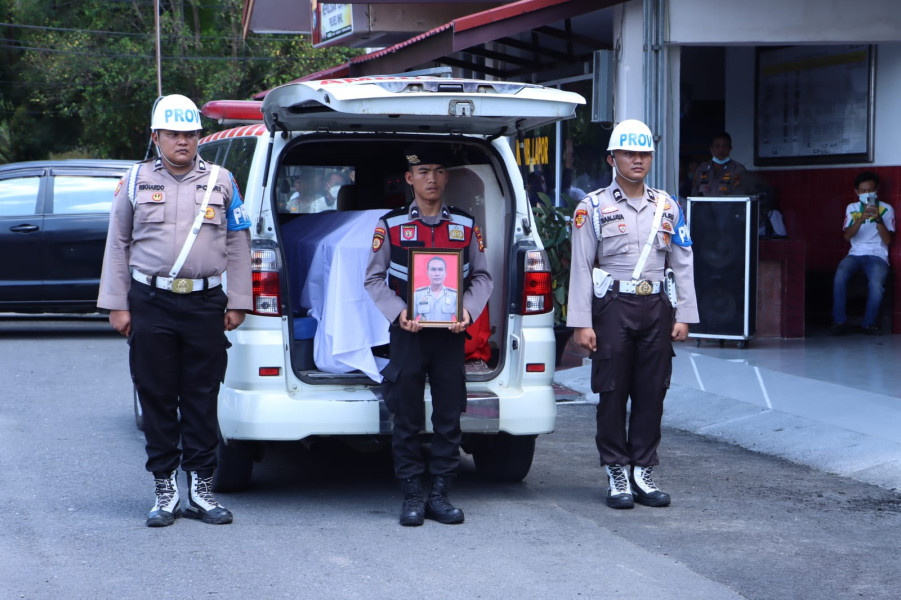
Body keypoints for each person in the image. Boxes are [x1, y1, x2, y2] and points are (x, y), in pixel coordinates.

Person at [98, 94, 252, 527]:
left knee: (202, 396)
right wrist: (116, 304)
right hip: (150, 301)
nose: (183, 141)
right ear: (156, 136)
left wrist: (238, 300)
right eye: (174, 134)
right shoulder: (134, 181)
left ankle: (201, 490)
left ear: (199, 136)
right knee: (157, 394)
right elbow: (118, 243)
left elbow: (239, 242)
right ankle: (164, 489)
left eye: (190, 134)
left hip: (206, 303)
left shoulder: (222, 180)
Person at [567, 119, 698, 509]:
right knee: (612, 390)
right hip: (612, 308)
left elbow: (683, 260)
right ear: (612, 158)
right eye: (629, 153)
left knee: (652, 391)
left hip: (657, 306)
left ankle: (643, 469)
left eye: (643, 154)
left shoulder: (668, 205)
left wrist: (685, 313)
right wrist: (581, 323)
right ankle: (616, 471)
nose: (637, 160)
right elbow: (580, 266)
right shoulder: (592, 207)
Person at [365, 143, 492, 526]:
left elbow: (483, 277)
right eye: (423, 172)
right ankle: (412, 494)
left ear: (446, 177)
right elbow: (373, 279)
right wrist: (398, 311)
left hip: (451, 334)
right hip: (408, 333)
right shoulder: (391, 226)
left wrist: (467, 311)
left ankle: (440, 492)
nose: (431, 179)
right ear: (410, 179)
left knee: (449, 414)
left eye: (438, 171)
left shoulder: (466, 226)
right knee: (405, 414)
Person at [831, 171, 895, 335]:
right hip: (855, 254)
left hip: (878, 255)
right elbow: (847, 237)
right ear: (857, 192)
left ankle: (869, 323)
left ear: (877, 190)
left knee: (876, 284)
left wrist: (878, 218)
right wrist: (860, 219)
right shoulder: (851, 208)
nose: (867, 194)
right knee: (840, 275)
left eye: (870, 190)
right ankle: (839, 321)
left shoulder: (887, 209)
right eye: (863, 190)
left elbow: (888, 241)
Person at [690, 132, 746, 197]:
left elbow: (740, 197)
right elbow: (694, 196)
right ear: (711, 148)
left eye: (725, 146)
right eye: (717, 146)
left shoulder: (738, 169)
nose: (721, 150)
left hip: (728, 206)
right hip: (704, 207)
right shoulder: (701, 169)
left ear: (730, 148)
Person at [412, 256, 458, 322]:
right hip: (423, 332)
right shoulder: (417, 295)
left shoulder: (454, 296)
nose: (437, 274)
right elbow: (410, 321)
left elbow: (460, 322)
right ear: (427, 273)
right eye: (433, 269)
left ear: (445, 273)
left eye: (440, 269)